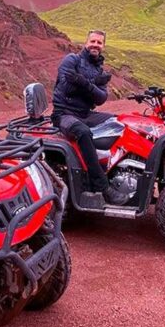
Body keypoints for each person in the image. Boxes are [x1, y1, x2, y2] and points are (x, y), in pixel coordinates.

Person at [51, 30, 114, 204]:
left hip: (85, 113)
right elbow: (67, 87)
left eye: (99, 42)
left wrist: (84, 82)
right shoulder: (72, 60)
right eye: (93, 41)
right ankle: (102, 186)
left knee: (118, 122)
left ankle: (109, 168)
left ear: (103, 46)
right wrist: (93, 83)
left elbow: (101, 99)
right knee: (83, 132)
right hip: (64, 113)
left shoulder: (97, 68)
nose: (95, 45)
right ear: (86, 43)